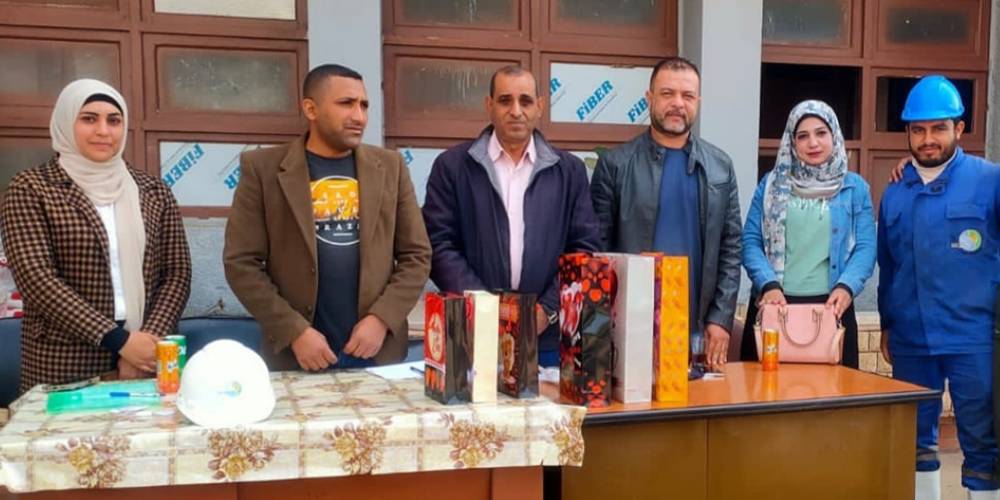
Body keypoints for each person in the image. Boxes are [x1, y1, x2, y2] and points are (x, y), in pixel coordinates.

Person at [224, 64, 431, 371]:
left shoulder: (390, 167)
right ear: (311, 109)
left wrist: (381, 319)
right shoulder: (263, 169)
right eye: (346, 103)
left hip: (375, 350)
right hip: (297, 353)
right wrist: (294, 331)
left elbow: (417, 255)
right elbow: (241, 263)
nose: (359, 116)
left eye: (364, 105)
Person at [1, 79, 191, 393]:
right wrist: (120, 341)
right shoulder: (32, 188)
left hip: (147, 357)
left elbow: (177, 273)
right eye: (89, 119)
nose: (104, 131)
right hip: (65, 359)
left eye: (114, 121)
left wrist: (146, 343)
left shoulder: (153, 191)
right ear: (65, 122)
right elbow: (38, 279)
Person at [422, 65, 600, 367]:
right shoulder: (452, 166)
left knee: (546, 400)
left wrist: (547, 309)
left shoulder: (569, 171)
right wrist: (484, 308)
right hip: (472, 333)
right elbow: (438, 244)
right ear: (489, 105)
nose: (516, 111)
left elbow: (584, 248)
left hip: (547, 337)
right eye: (505, 100)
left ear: (540, 107)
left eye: (525, 101)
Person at [877, 75, 1000, 499]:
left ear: (959, 129)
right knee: (915, 440)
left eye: (938, 128)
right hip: (911, 338)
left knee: (983, 441)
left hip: (973, 338)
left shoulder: (990, 181)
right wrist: (888, 324)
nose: (928, 139)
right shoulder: (895, 192)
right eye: (918, 129)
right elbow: (888, 265)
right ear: (908, 133)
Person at [590, 57, 741, 369]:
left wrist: (721, 317)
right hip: (631, 328)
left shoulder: (720, 167)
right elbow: (597, 254)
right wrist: (601, 328)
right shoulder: (616, 165)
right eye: (667, 94)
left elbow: (731, 246)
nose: (677, 104)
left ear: (698, 102)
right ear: (649, 98)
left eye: (687, 96)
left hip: (697, 332)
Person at [740, 100, 876, 369]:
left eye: (821, 133)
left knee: (833, 393)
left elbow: (866, 246)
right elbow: (750, 241)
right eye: (803, 136)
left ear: (834, 135)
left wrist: (847, 286)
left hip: (832, 308)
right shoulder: (771, 185)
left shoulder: (854, 188)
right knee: (766, 392)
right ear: (792, 142)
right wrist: (768, 284)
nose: (813, 143)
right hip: (774, 305)